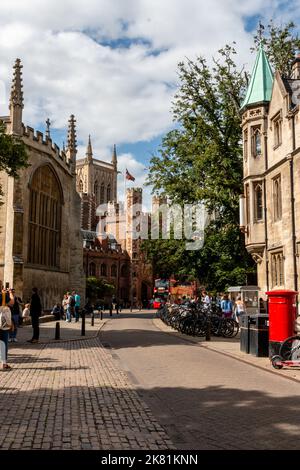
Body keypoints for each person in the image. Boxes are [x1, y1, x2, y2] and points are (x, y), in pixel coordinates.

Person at [0, 288, 14, 370]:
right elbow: (12, 302)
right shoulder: (3, 295)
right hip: (2, 323)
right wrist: (10, 292)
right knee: (3, 342)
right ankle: (4, 364)